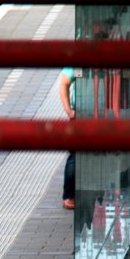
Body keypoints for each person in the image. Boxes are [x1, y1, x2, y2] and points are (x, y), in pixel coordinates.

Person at [58, 67, 76, 210]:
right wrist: (69, 111)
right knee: (76, 155)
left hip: (106, 112)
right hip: (82, 112)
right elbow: (64, 83)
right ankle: (68, 196)